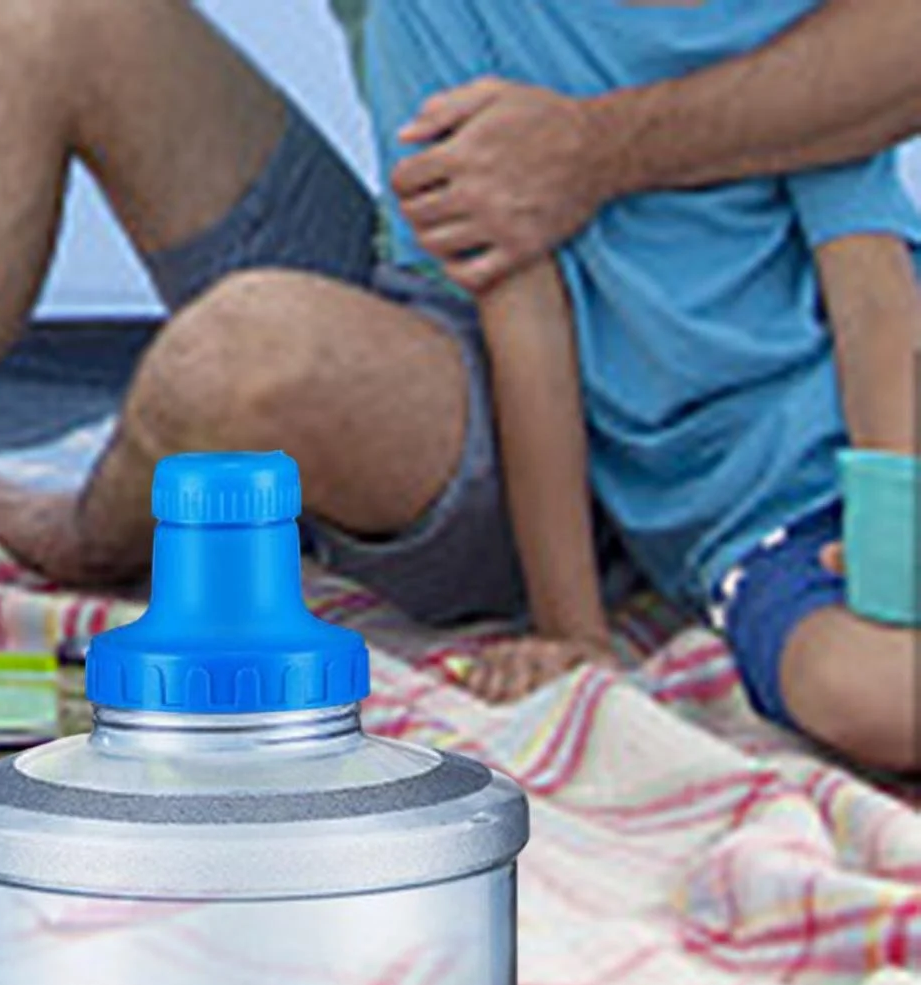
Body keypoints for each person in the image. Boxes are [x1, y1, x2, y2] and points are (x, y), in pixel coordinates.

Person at [0, 0, 921, 692]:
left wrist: (593, 153)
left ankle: (89, 527)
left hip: (719, 362)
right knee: (57, 20)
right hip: (475, 336)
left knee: (232, 360)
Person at [353, 1, 919, 773]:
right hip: (755, 517)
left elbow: (874, 294)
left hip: (891, 443)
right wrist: (572, 632)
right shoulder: (441, 21)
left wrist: (896, 538)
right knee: (867, 696)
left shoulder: (797, 24)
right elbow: (525, 326)